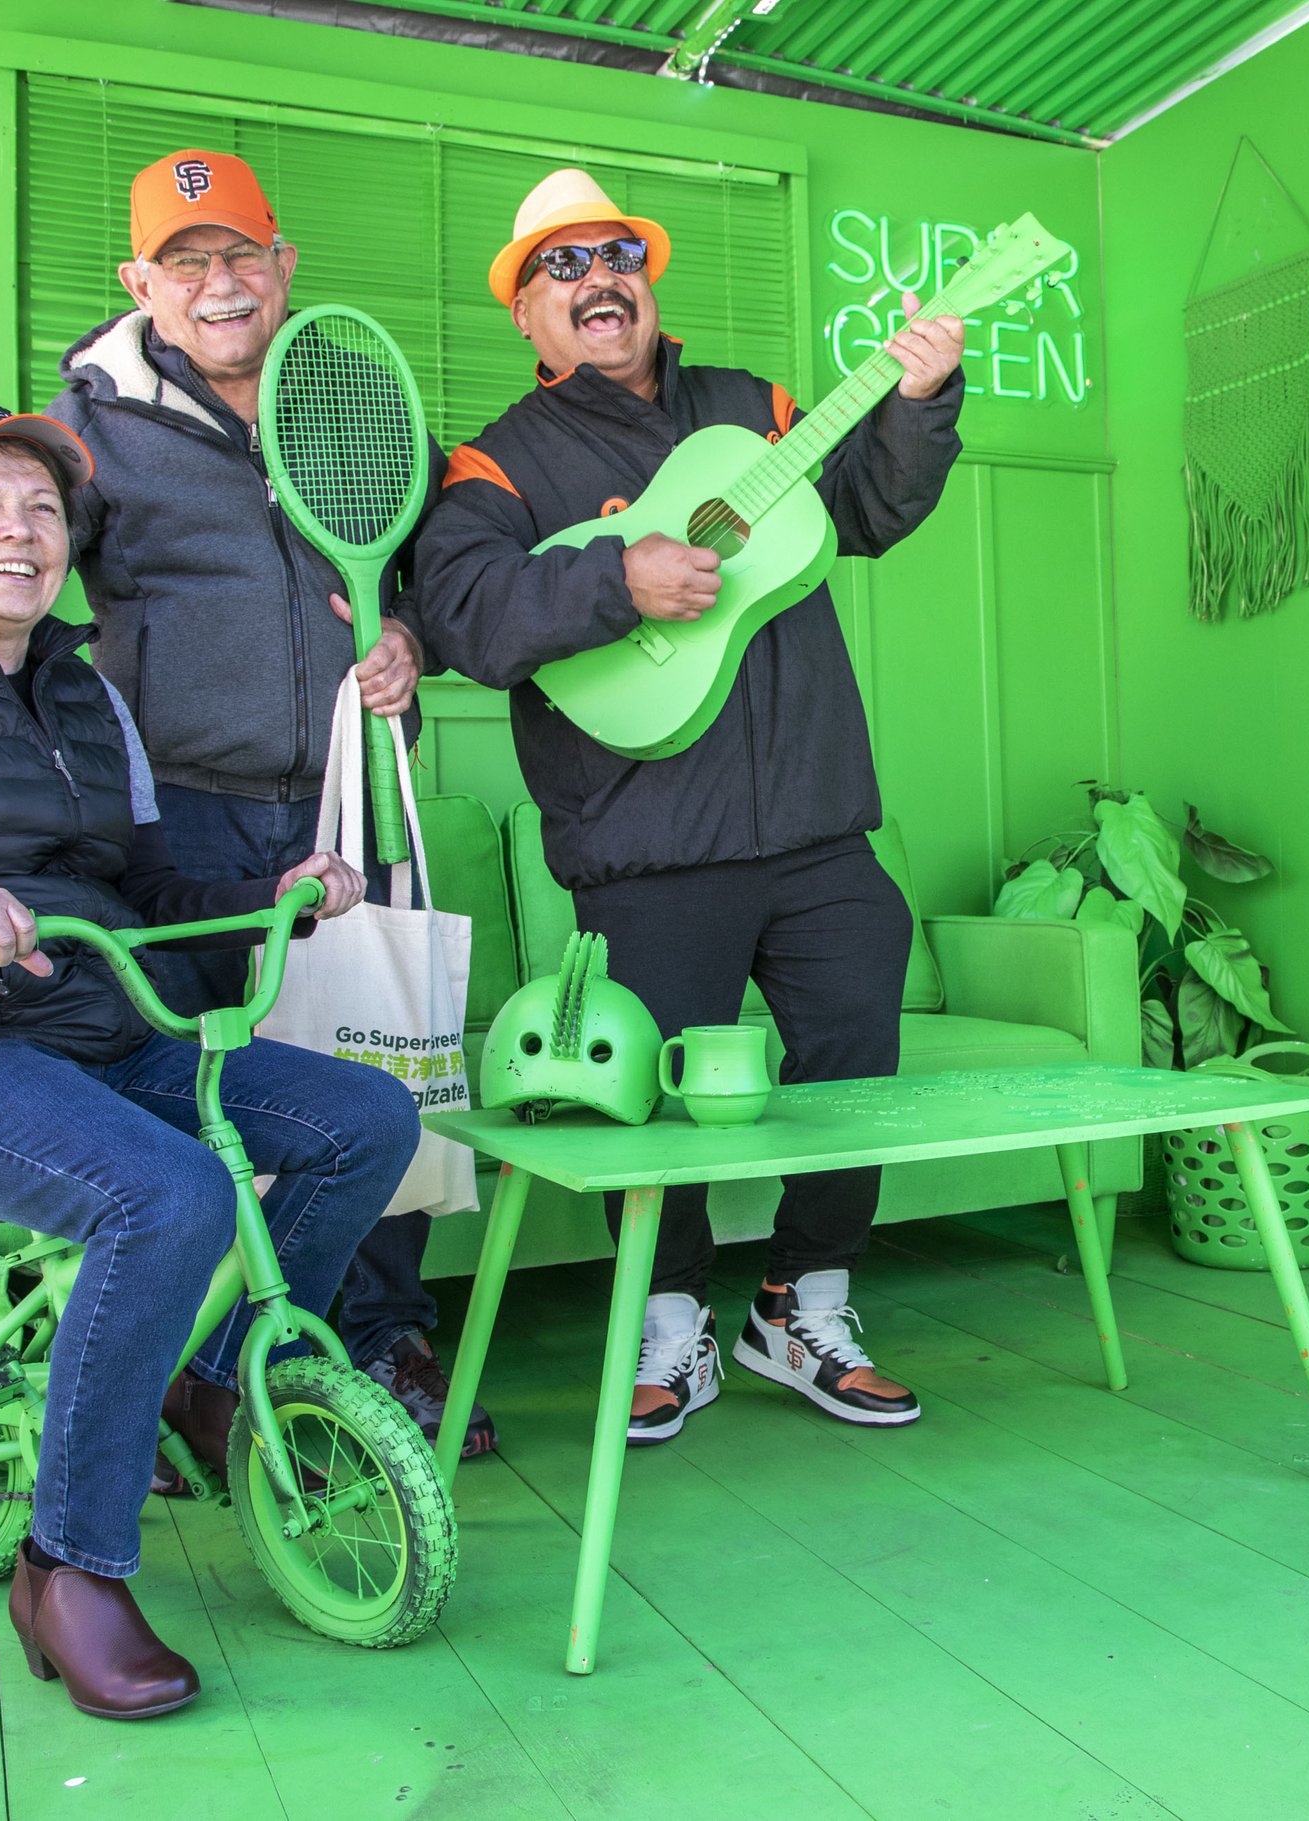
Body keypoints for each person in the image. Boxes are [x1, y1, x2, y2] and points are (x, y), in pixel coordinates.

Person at [0, 149, 492, 1459]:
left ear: (283, 268)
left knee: (372, 1070)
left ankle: (363, 1346)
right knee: (201, 1115)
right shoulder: (93, 421)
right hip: (185, 819)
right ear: (142, 285)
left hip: (337, 808)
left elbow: (433, 563)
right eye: (187, 263)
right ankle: (176, 1365)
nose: (220, 285)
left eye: (242, 256)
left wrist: (414, 646)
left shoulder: (346, 402)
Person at [0, 404, 419, 1719]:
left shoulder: (86, 689)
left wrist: (281, 884)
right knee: (171, 1194)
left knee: (364, 1122)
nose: (18, 530)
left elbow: (149, 884)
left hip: (102, 1030)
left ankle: (216, 1390)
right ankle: (68, 1567)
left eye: (43, 510)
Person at [408, 169, 965, 1445]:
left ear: (645, 282)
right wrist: (616, 578)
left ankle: (803, 1303)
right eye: (561, 266)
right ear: (526, 314)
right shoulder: (499, 460)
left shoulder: (756, 408)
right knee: (645, 1099)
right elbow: (465, 616)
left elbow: (868, 510)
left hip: (820, 823)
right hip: (647, 847)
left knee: (853, 1079)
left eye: (616, 256)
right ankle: (668, 1328)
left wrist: (920, 400)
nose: (597, 279)